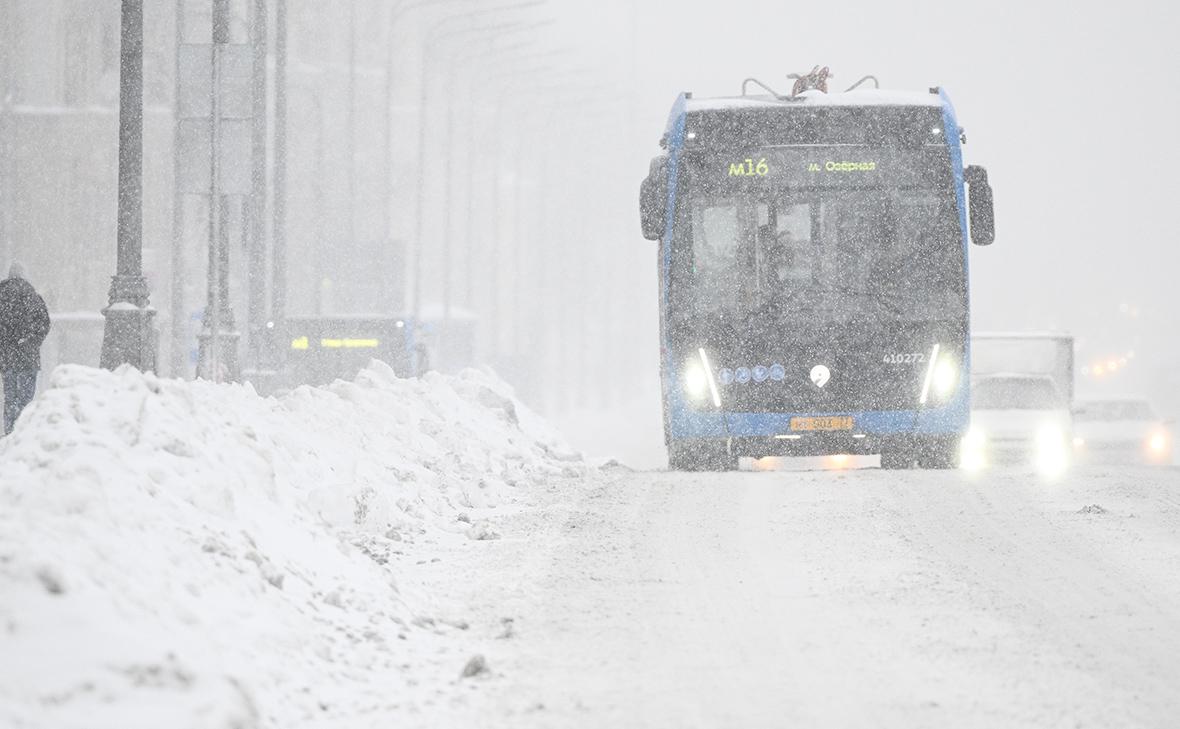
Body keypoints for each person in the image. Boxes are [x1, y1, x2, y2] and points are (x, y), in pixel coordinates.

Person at [0, 262, 51, 435]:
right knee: (25, 399)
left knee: (10, 398)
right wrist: (31, 342)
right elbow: (44, 324)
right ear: (24, 276)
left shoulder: (1, 296)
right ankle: (23, 434)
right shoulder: (33, 296)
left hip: (7, 358)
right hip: (28, 358)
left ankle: (9, 433)